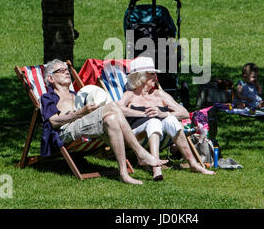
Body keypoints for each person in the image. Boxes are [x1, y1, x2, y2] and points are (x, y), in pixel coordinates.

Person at [40, 59, 168, 185]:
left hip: (84, 126)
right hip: (66, 131)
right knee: (112, 106)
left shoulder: (79, 95)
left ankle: (124, 174)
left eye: (66, 69)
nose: (66, 72)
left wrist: (89, 111)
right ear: (51, 78)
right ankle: (140, 153)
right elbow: (53, 122)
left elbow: (87, 117)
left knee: (111, 119)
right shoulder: (48, 97)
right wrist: (79, 113)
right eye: (60, 70)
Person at [118, 56, 215, 180]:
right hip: (136, 133)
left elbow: (184, 113)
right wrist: (143, 114)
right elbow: (118, 109)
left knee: (170, 120)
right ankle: (156, 168)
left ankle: (193, 164)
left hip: (160, 133)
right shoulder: (130, 95)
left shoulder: (159, 94)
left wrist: (163, 114)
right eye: (152, 74)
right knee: (153, 122)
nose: (156, 77)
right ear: (140, 77)